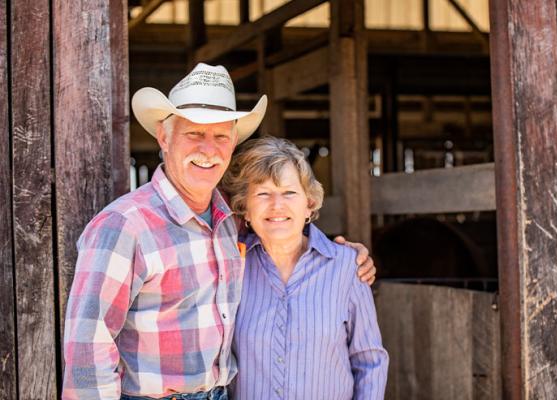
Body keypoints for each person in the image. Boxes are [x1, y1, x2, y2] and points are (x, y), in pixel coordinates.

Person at [62, 63, 376, 400]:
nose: (208, 150)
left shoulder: (231, 222)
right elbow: (87, 346)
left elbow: (281, 223)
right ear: (164, 137)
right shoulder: (125, 225)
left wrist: (340, 254)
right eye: (194, 133)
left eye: (221, 136)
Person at [222, 136, 389, 400]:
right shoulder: (229, 264)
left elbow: (370, 362)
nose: (277, 205)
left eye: (289, 193)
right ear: (245, 209)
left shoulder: (346, 268)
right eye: (263, 194)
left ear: (309, 204)